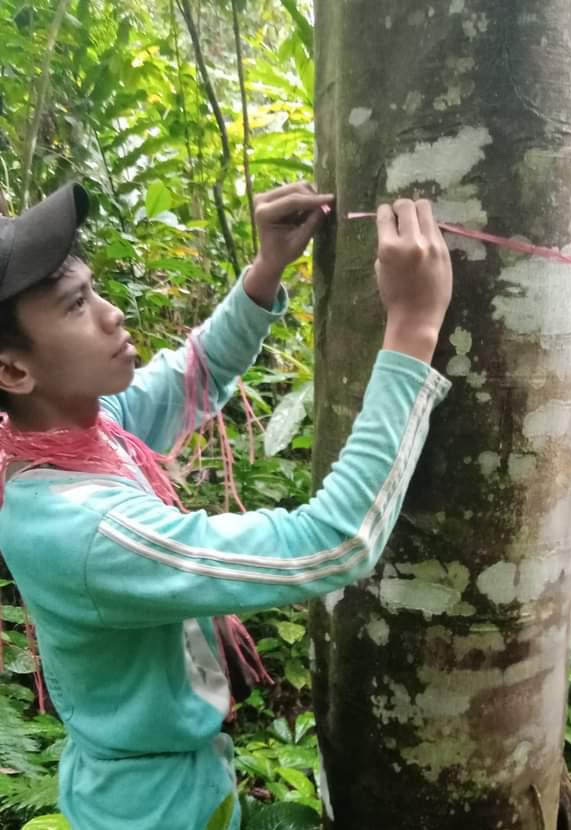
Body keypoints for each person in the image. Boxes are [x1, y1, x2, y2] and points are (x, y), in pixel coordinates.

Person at [0, 180, 453, 829]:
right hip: (153, 812)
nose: (111, 313)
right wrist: (412, 329)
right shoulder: (85, 527)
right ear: (13, 372)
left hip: (164, 783)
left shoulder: (70, 434)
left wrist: (267, 269)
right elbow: (331, 542)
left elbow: (195, 374)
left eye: (95, 290)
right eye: (76, 306)